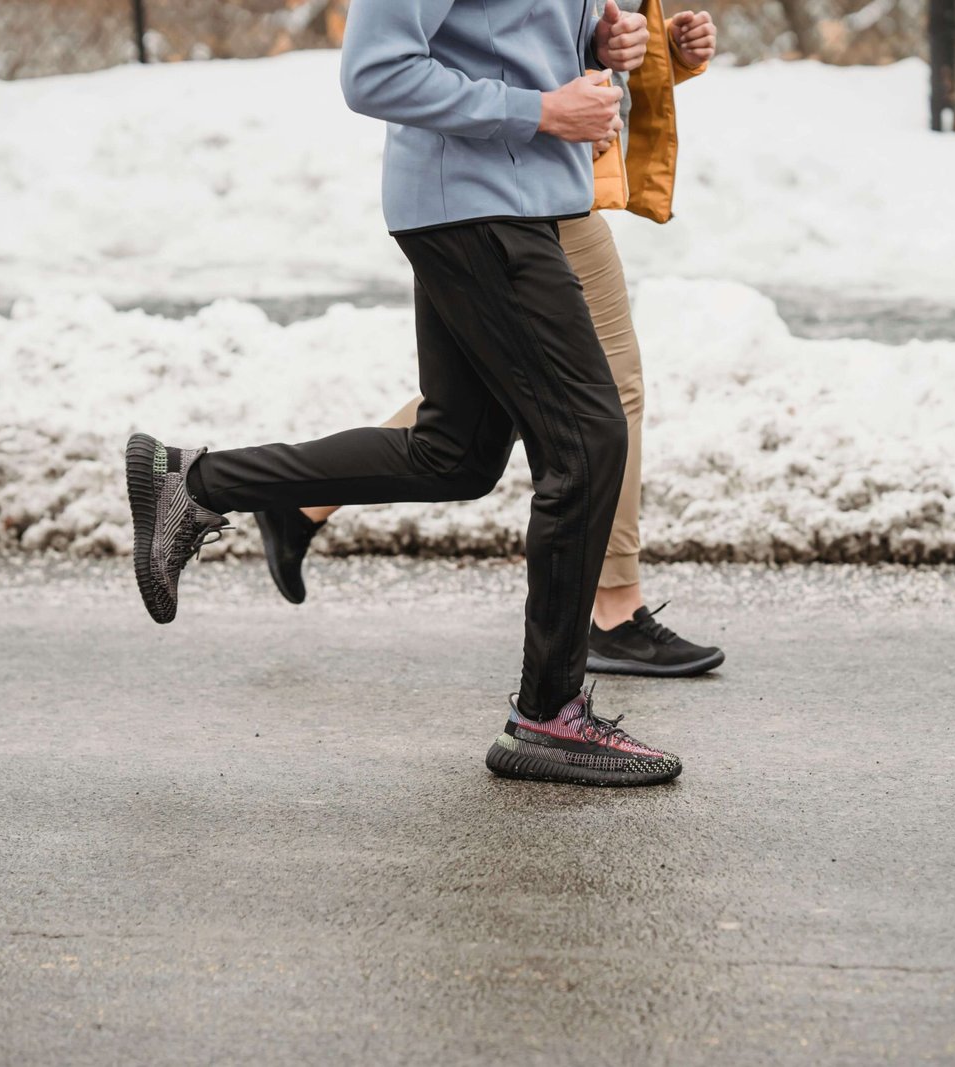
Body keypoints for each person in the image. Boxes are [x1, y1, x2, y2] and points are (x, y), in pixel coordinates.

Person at [126, 0, 684, 786]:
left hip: (518, 201)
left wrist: (600, 39)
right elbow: (376, 71)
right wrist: (541, 109)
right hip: (479, 206)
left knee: (453, 455)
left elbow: (507, 33)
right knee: (589, 442)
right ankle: (549, 714)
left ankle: (195, 481)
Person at [258, 2, 724, 680]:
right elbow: (384, 70)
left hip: (541, 180)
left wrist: (640, 49)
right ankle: (610, 614)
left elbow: (530, 42)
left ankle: (292, 498)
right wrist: (544, 109)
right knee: (598, 397)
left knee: (495, 405)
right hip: (493, 189)